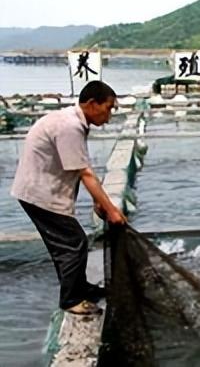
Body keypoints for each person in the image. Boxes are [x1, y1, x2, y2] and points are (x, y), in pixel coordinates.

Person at [11, 80, 127, 315]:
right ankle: (72, 300)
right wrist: (111, 210)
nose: (109, 115)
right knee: (74, 244)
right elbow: (85, 172)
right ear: (92, 104)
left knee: (66, 244)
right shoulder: (70, 127)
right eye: (109, 108)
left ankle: (80, 288)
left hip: (38, 189)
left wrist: (98, 201)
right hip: (40, 193)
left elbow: (77, 167)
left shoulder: (71, 121)